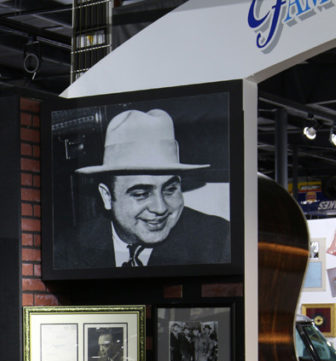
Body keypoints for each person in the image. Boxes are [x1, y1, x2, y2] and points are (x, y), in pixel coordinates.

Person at [55, 108, 230, 269]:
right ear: (107, 196)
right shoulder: (69, 249)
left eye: (170, 190)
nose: (160, 208)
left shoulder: (218, 241)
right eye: (141, 194)